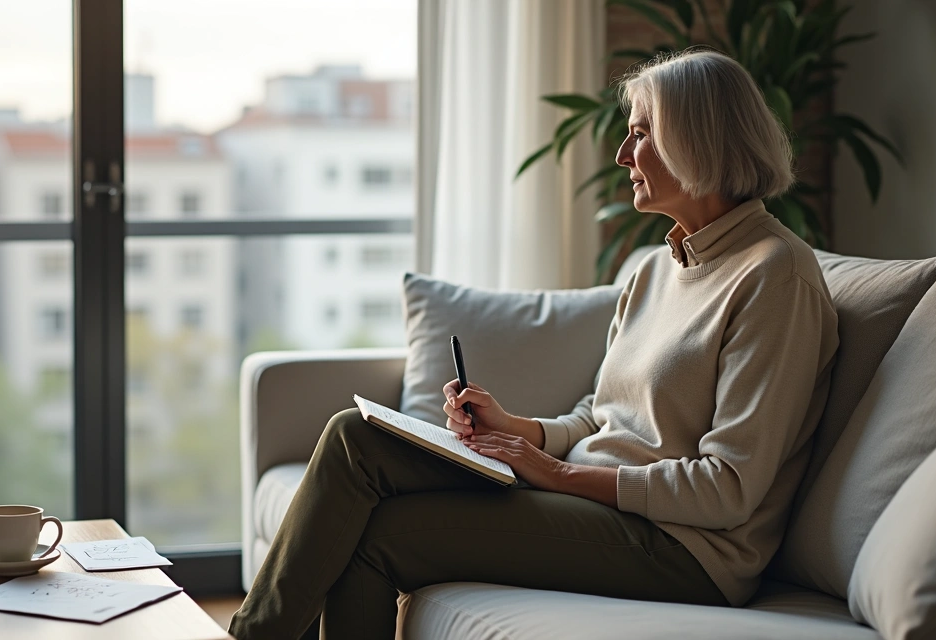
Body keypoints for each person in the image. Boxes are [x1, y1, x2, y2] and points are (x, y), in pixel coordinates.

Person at [229, 49, 839, 640]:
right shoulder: (656, 269)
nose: (623, 154)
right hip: (598, 502)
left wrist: (554, 474)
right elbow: (599, 417)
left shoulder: (774, 274)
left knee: (382, 535)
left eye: (641, 135)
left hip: (684, 550)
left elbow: (727, 488)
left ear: (699, 138)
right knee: (353, 436)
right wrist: (517, 429)